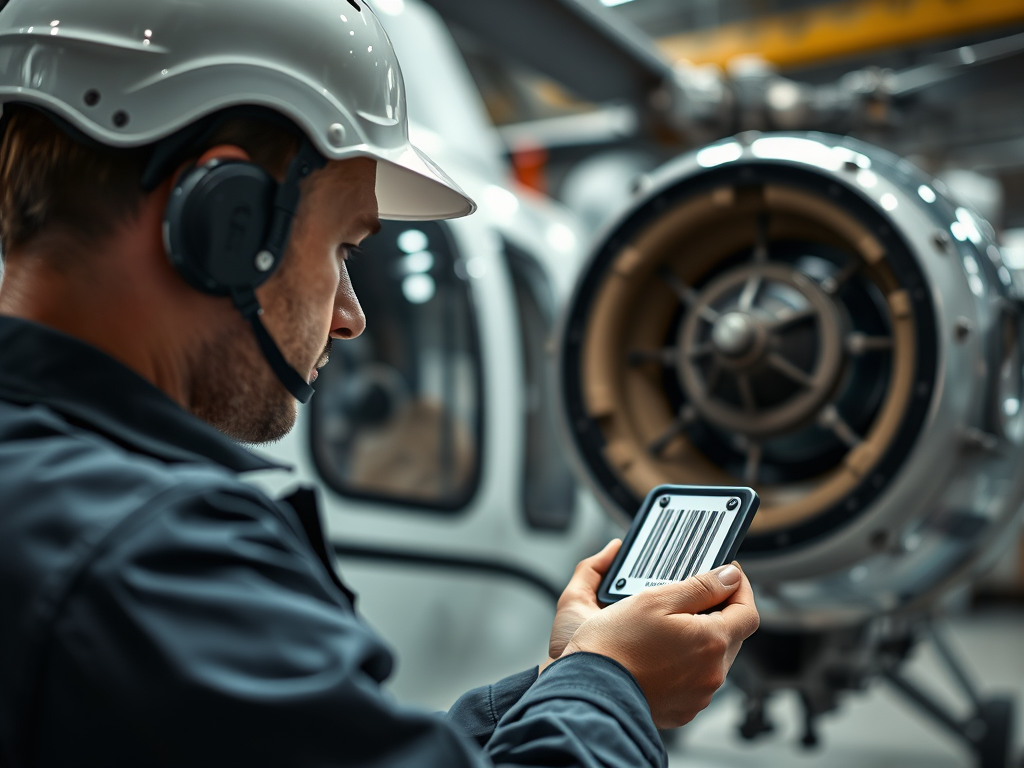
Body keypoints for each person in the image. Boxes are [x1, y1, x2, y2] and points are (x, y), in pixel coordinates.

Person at [0, 1, 760, 766]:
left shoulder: (51, 504)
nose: (350, 317)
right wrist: (613, 687)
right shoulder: (148, 558)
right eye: (343, 246)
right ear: (227, 219)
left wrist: (564, 683)